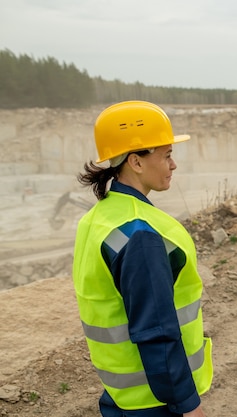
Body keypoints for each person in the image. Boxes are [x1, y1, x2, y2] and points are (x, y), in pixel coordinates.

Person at [72, 101, 213, 417]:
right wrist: (187, 405)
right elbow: (156, 330)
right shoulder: (141, 234)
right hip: (156, 402)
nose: (173, 165)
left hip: (123, 396)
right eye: (166, 155)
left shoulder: (99, 217)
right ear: (135, 161)